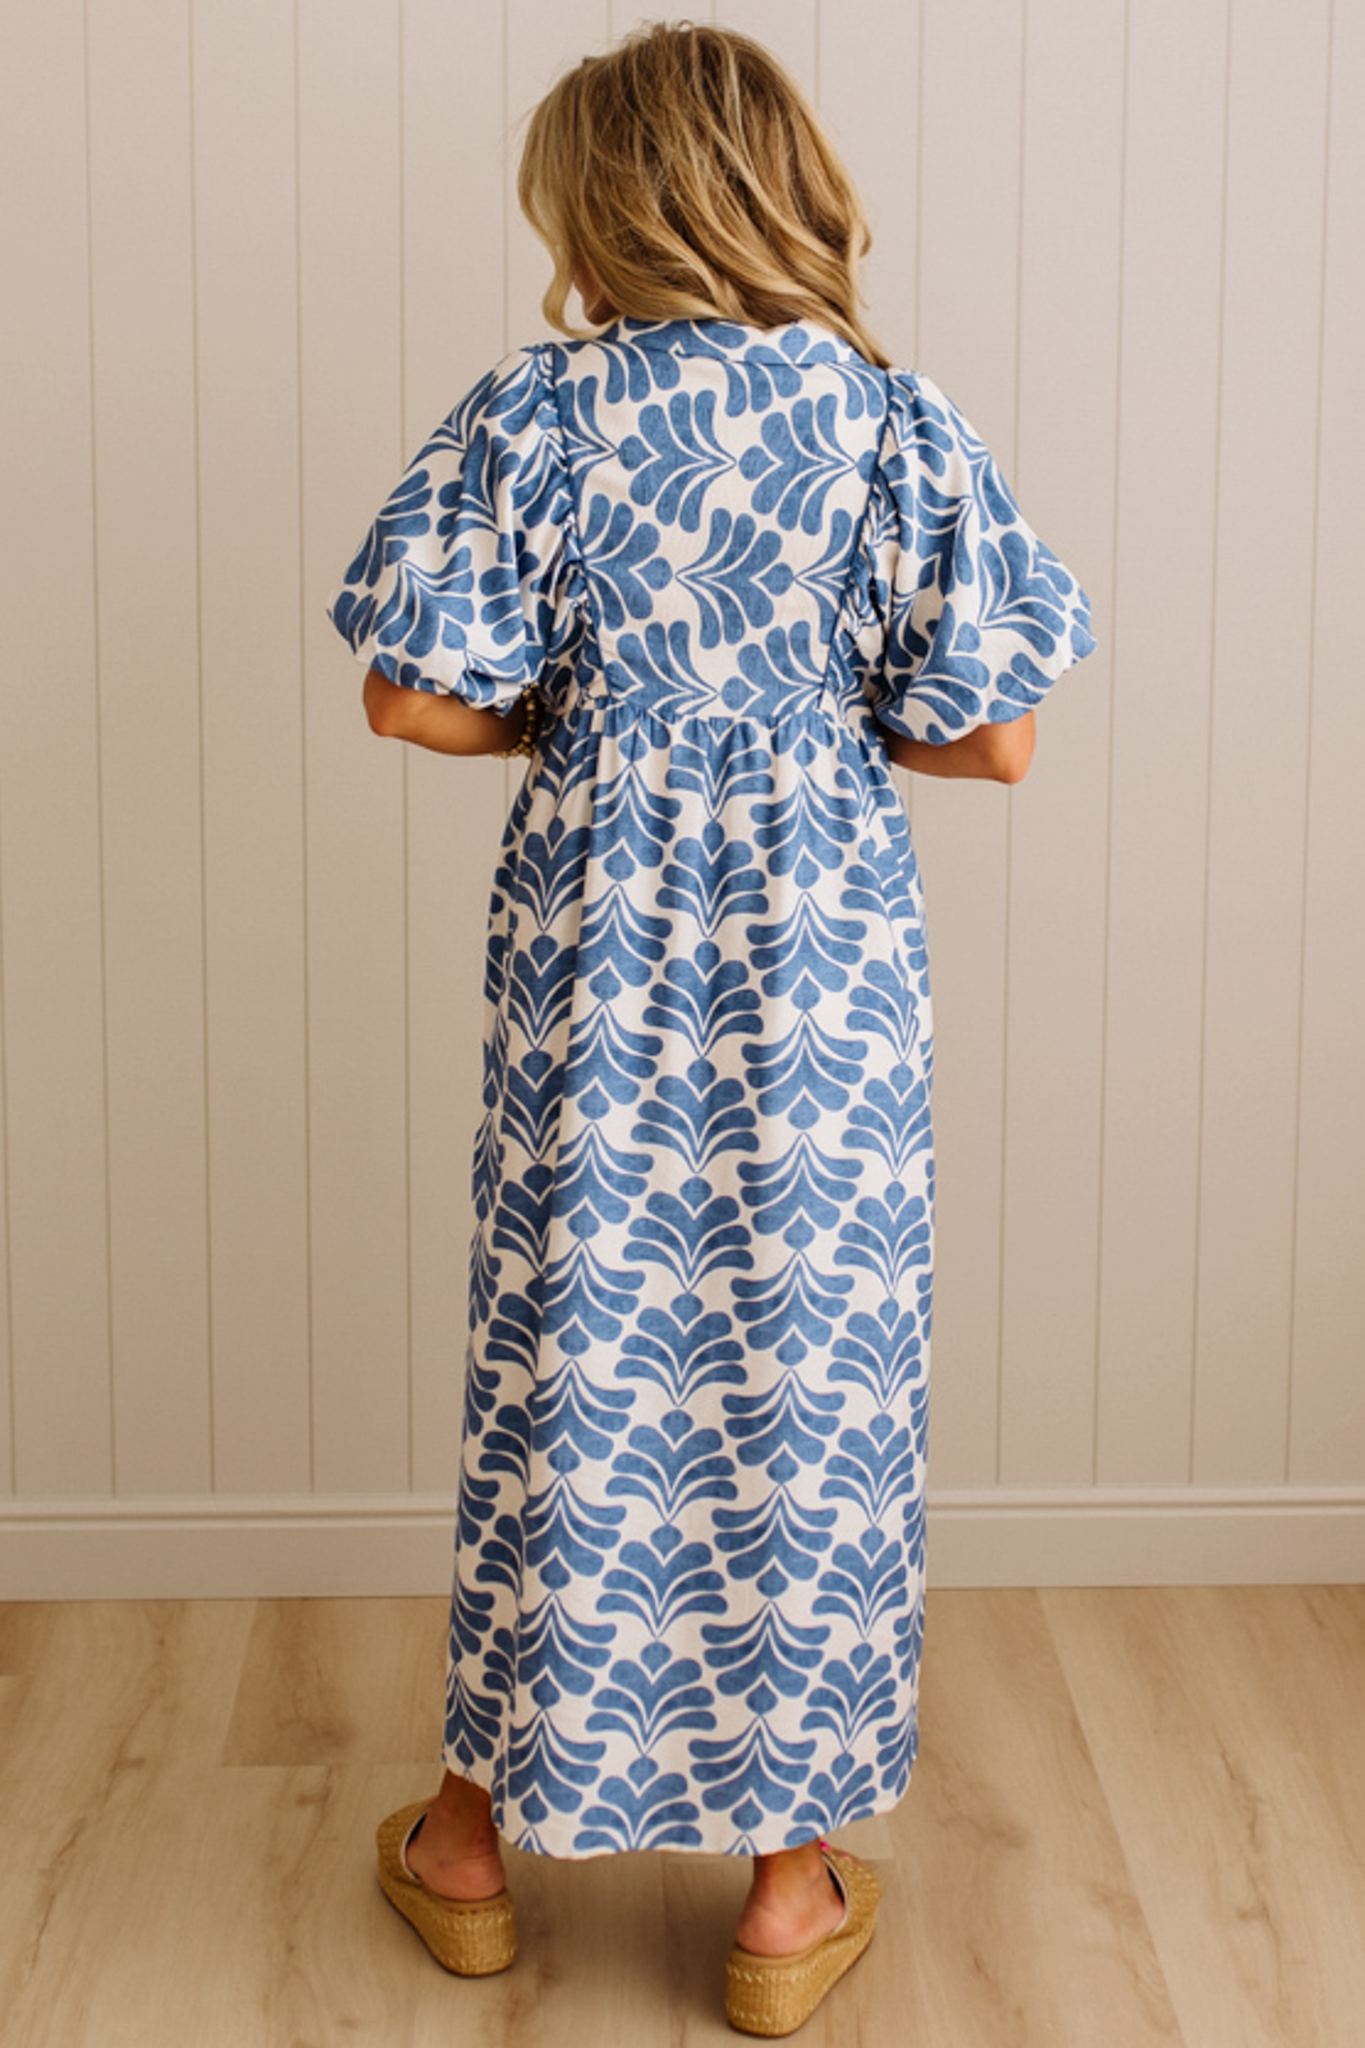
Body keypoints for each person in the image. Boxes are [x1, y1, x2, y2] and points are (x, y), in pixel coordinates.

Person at [328, 22, 1094, 2037]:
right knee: (801, 1368)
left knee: (569, 1339)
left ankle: (470, 1845)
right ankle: (780, 1892)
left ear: (602, 213)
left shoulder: (535, 413)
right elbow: (997, 739)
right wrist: (799, 729)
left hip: (591, 958)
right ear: (783, 190)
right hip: (818, 972)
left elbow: (409, 696)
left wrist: (598, 720)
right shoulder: (886, 420)